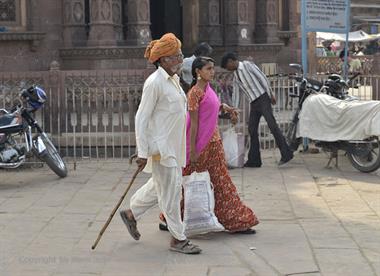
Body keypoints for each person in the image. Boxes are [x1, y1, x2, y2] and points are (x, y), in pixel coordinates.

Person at [119, 33, 201, 255]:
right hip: (161, 149)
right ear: (163, 59)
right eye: (176, 56)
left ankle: (130, 214)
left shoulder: (173, 80)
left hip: (174, 146)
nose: (180, 60)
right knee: (172, 193)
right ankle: (178, 238)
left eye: (180, 55)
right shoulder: (154, 83)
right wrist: (142, 151)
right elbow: (141, 118)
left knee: (159, 186)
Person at [160, 56, 259, 233]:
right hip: (202, 147)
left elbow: (212, 106)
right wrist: (192, 151)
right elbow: (194, 124)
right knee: (190, 183)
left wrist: (225, 108)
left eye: (213, 68)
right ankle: (169, 218)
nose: (212, 72)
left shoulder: (208, 88)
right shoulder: (194, 93)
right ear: (198, 72)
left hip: (214, 143)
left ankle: (235, 220)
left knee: (220, 183)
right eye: (208, 69)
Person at [221, 52, 294, 167]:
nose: (228, 69)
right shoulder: (236, 76)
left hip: (263, 98)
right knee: (252, 129)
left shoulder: (247, 65)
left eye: (227, 66)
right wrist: (234, 109)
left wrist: (271, 93)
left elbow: (262, 78)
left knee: (272, 125)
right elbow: (236, 93)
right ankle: (254, 160)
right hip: (254, 102)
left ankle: (286, 153)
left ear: (231, 61)